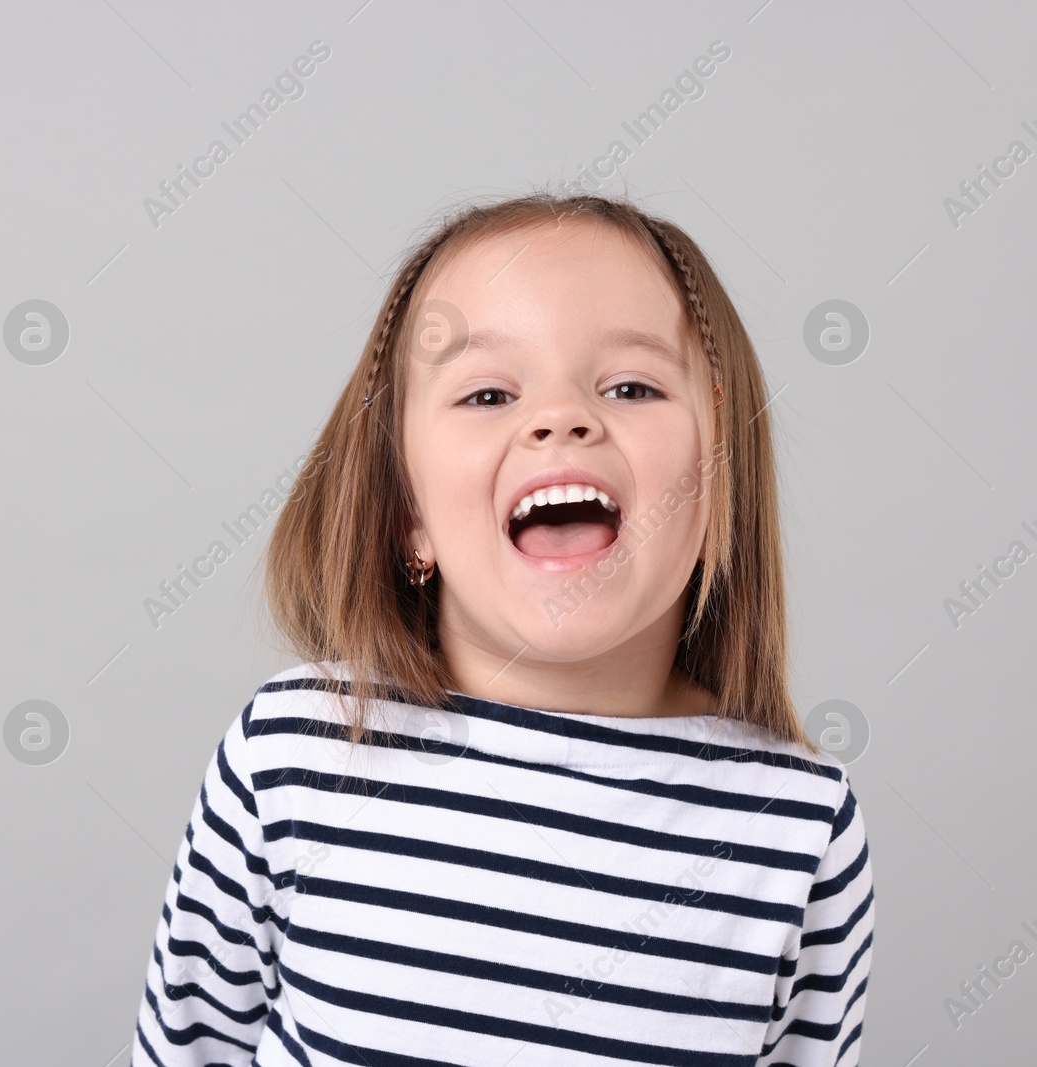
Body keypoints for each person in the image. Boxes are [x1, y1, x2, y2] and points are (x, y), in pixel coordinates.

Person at [129, 191, 873, 1066]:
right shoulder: (293, 756)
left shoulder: (796, 828)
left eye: (632, 386)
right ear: (408, 514)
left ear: (716, 482)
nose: (560, 418)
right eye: (487, 393)